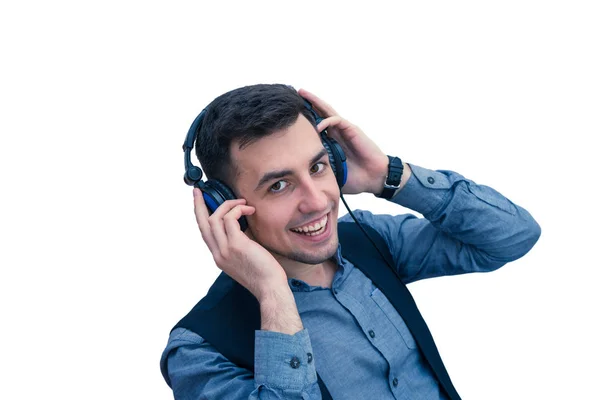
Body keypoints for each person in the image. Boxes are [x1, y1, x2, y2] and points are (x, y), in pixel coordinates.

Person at [160, 84, 541, 399]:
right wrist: (273, 294)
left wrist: (388, 176)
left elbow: (512, 236)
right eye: (279, 185)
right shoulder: (198, 351)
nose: (318, 200)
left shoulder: (371, 240)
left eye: (318, 166)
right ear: (223, 205)